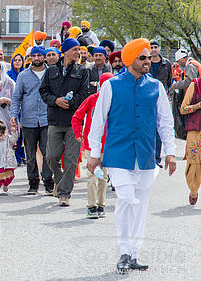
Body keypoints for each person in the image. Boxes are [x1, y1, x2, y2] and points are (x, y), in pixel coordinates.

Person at [87, 38, 176, 273]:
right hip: (118, 155)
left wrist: (171, 153)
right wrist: (94, 153)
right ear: (130, 60)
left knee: (140, 205)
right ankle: (124, 250)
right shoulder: (111, 86)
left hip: (146, 156)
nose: (148, 61)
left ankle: (133, 253)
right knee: (126, 198)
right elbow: (98, 122)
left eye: (149, 57)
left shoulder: (156, 86)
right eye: (143, 57)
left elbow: (166, 123)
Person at [40, 38, 90, 206]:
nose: (78, 52)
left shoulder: (82, 71)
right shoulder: (51, 71)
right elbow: (43, 91)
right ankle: (59, 180)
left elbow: (85, 94)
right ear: (66, 51)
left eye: (79, 49)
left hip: (74, 123)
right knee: (51, 157)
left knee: (71, 159)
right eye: (75, 49)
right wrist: (56, 101)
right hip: (54, 120)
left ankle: (64, 193)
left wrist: (70, 103)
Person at [11, 46, 54, 195]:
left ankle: (48, 181)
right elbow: (16, 97)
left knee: (47, 152)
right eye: (33, 56)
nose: (36, 58)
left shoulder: (51, 73)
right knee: (30, 154)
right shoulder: (23, 76)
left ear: (44, 57)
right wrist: (13, 116)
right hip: (28, 120)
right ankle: (33, 182)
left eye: (39, 56)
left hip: (47, 119)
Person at [72, 73, 113, 219]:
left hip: (108, 145)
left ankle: (101, 204)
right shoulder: (92, 99)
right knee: (92, 176)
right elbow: (77, 116)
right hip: (91, 144)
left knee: (103, 177)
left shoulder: (116, 101)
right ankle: (91, 206)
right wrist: (78, 133)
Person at [149, 40, 173, 168]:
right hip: (147, 98)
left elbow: (169, 81)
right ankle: (149, 156)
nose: (153, 49)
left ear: (159, 48)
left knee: (160, 128)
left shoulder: (166, 64)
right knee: (148, 128)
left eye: (155, 47)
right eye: (151, 47)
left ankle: (156, 158)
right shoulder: (145, 62)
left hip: (160, 98)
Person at [179, 79, 201, 205]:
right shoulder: (196, 85)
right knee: (194, 162)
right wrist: (197, 106)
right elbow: (183, 109)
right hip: (195, 130)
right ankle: (193, 190)